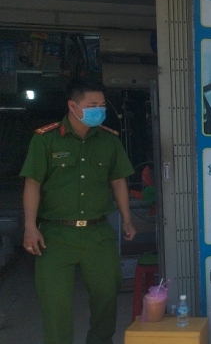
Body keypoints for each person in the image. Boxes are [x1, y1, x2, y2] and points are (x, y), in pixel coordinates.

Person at [20, 79, 136, 344]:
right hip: (55, 235)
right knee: (55, 302)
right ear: (72, 106)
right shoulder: (46, 139)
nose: (99, 110)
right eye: (92, 105)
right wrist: (29, 226)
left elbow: (118, 180)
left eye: (102, 105)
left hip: (98, 233)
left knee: (107, 295)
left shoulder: (109, 140)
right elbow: (32, 183)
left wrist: (127, 219)